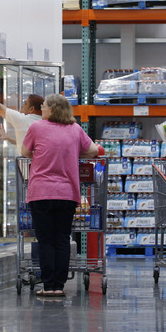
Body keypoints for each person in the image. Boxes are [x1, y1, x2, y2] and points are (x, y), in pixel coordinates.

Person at [21, 94, 102, 297]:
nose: (42, 109)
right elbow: (93, 150)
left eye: (44, 106)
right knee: (62, 239)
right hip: (67, 193)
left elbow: (25, 152)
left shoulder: (36, 128)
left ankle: (49, 286)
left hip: (41, 192)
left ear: (52, 110)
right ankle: (59, 286)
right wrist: (74, 153)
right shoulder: (75, 129)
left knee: (46, 240)